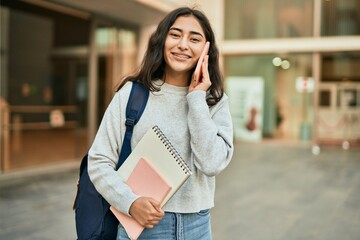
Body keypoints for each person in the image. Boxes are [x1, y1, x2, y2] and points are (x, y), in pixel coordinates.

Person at [88, 6, 234, 240]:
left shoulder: (214, 101)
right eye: (175, 34)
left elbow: (212, 164)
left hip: (198, 225)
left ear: (207, 49)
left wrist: (196, 98)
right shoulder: (132, 94)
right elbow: (98, 160)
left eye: (194, 38)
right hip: (140, 225)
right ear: (162, 40)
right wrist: (131, 202)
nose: (183, 45)